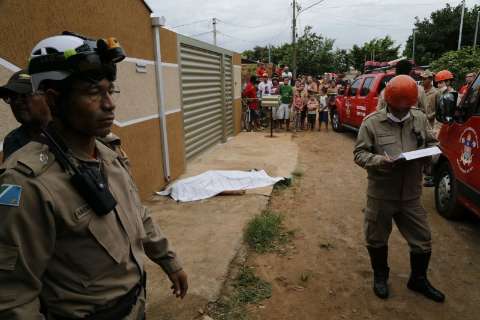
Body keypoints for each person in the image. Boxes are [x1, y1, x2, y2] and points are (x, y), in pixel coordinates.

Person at [0, 32, 188, 319]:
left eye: (110, 90)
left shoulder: (109, 154)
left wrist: (169, 260)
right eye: (92, 92)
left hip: (136, 306)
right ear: (53, 100)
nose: (109, 103)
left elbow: (138, 214)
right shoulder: (27, 183)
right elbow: (14, 297)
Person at [354, 75, 445, 303]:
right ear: (389, 102)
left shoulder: (420, 118)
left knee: (422, 239)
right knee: (376, 237)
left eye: (408, 107)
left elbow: (432, 144)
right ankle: (380, 277)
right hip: (382, 194)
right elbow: (359, 154)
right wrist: (380, 161)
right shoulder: (372, 123)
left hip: (411, 195)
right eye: (398, 107)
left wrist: (430, 156)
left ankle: (418, 279)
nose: (404, 111)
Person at [0, 70, 51, 161]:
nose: (17, 102)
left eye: (24, 94)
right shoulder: (12, 140)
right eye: (12, 97)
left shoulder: (69, 135)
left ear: (48, 96)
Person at [420, 70, 438, 188]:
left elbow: (438, 110)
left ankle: (430, 176)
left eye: (425, 78)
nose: (422, 80)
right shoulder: (420, 91)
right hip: (419, 124)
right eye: (422, 78)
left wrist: (429, 116)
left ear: (430, 79)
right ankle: (424, 172)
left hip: (430, 125)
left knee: (430, 151)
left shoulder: (436, 93)